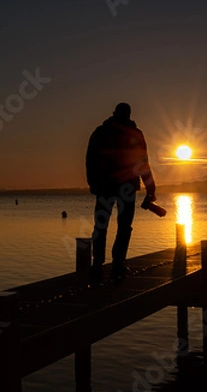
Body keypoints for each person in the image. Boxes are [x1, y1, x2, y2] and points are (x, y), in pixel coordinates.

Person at [86, 102, 156, 281]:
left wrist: (92, 183)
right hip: (125, 186)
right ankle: (117, 264)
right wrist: (150, 187)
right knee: (123, 227)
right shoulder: (134, 134)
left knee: (101, 226)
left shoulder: (101, 132)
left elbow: (90, 160)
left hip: (106, 186)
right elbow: (143, 163)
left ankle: (98, 264)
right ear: (128, 115)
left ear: (114, 113)